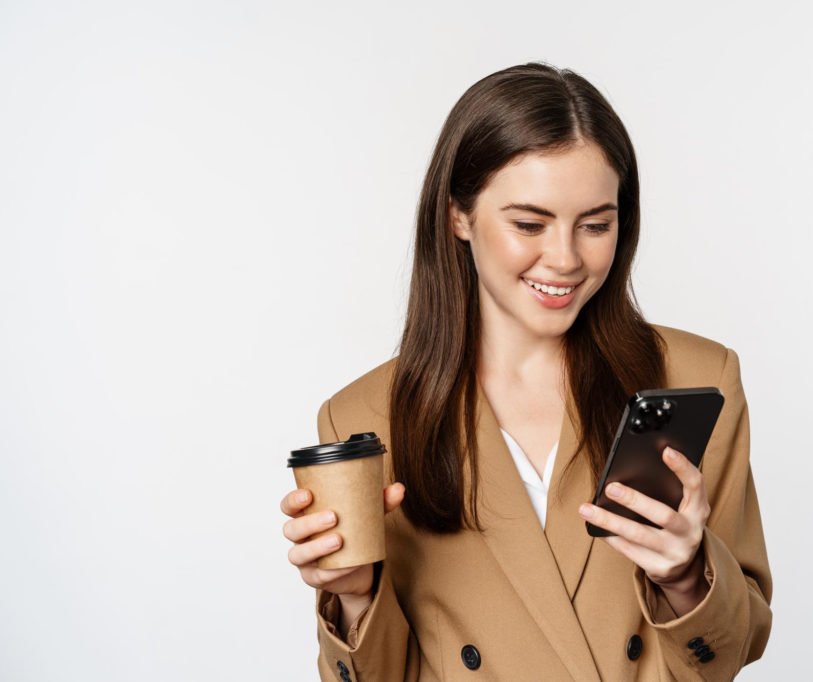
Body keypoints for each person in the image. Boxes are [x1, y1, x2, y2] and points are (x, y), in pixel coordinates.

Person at [280, 62, 772, 681]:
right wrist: (353, 596)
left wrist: (685, 574)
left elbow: (735, 649)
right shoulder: (365, 416)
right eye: (529, 224)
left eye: (596, 224)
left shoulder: (696, 377)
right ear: (459, 215)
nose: (566, 258)